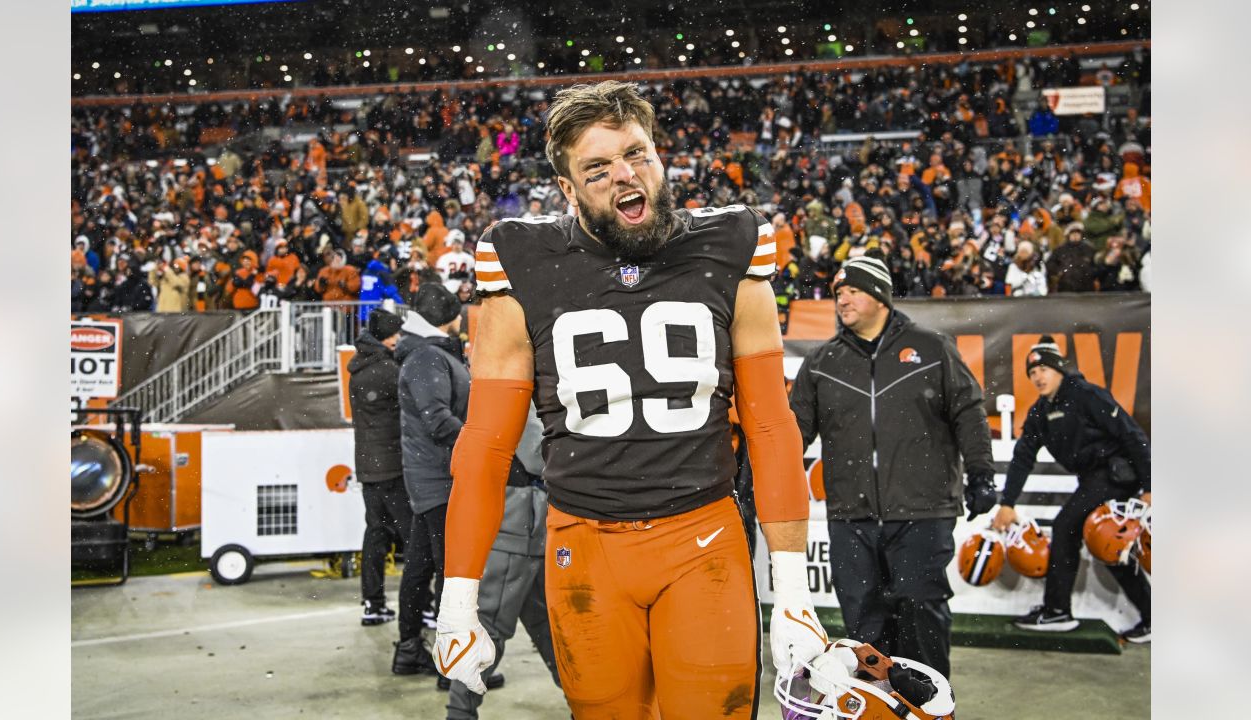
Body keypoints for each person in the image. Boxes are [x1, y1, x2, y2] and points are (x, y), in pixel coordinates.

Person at [433, 81, 828, 718]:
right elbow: (484, 444)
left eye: (637, 154)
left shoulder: (730, 244)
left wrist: (794, 592)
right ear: (566, 188)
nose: (624, 175)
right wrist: (457, 599)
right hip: (583, 543)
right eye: (598, 167)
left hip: (703, 538)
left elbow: (770, 425)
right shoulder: (520, 258)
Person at [788, 255, 996, 678]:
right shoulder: (821, 362)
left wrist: (982, 474)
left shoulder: (933, 349)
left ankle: (929, 704)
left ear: (880, 296)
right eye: (838, 293)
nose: (842, 300)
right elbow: (793, 434)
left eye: (852, 291)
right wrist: (761, 481)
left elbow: (968, 412)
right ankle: (878, 705)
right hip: (851, 516)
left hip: (922, 511)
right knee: (864, 625)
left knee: (920, 612)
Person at [991, 338, 1151, 642]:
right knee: (1109, 546)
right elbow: (1023, 456)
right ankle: (1153, 616)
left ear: (1059, 369)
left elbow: (1132, 436)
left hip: (1115, 475)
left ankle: (1057, 611)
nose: (1038, 376)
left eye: (1043, 369)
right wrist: (1007, 503)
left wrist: (1150, 486)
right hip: (1092, 480)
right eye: (1032, 372)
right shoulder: (1040, 412)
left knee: (1066, 526)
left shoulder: (1087, 395)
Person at [391, 285, 484, 683]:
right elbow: (438, 419)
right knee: (453, 572)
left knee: (421, 565)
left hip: (432, 475)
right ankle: (453, 665)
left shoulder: (427, 352)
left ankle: (410, 650)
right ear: (445, 315)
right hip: (439, 479)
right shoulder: (427, 356)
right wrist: (483, 445)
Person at [445, 403, 561, 718]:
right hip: (518, 516)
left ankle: (589, 704)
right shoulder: (516, 390)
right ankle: (459, 713)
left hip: (524, 517)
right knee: (492, 626)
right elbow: (538, 456)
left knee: (551, 628)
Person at [347, 309, 414, 627]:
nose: (399, 339)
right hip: (392, 465)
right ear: (385, 337)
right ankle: (419, 607)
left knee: (375, 534)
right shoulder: (388, 370)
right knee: (414, 538)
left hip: (368, 464)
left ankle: (373, 603)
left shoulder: (359, 369)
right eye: (396, 335)